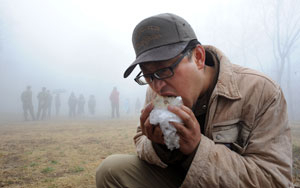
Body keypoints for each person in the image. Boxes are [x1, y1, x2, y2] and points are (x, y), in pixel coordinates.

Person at [95, 13, 293, 187]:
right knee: (111, 170)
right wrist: (159, 146)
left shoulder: (261, 91)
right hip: (181, 179)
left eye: (164, 70)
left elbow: (275, 180)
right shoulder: (157, 89)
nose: (157, 86)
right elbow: (140, 140)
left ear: (198, 57)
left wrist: (197, 149)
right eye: (148, 75)